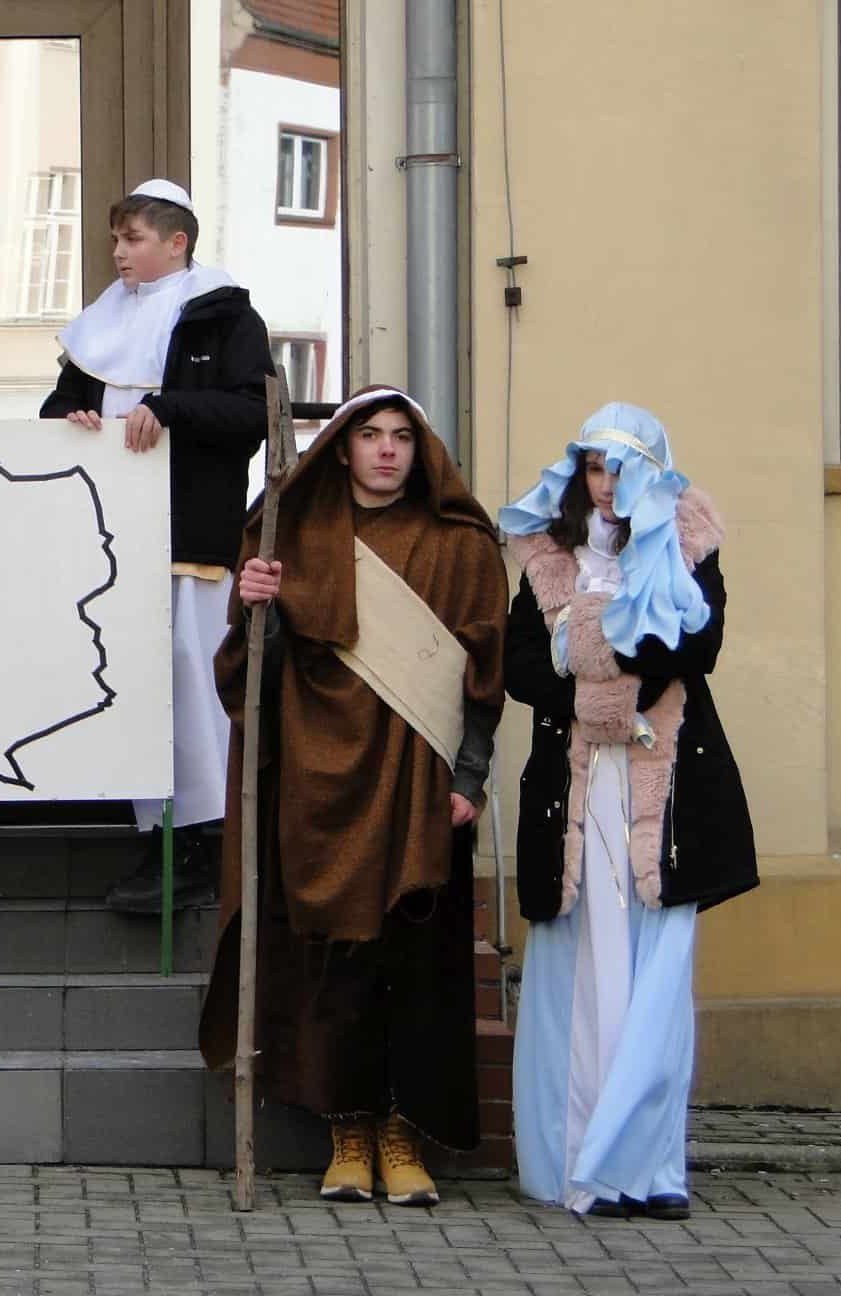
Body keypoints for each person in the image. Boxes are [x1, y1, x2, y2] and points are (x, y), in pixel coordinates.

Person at [198, 386, 508, 1206]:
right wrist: (257, 606)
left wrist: (469, 776)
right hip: (318, 785)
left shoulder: (461, 545)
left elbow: (485, 672)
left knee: (417, 963)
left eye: (401, 435)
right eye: (370, 435)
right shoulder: (292, 535)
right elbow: (252, 670)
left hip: (419, 785)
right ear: (342, 447)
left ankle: (404, 1137)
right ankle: (348, 1134)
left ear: (421, 449)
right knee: (332, 967)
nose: (387, 450)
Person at [501, 403, 757, 1221]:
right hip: (573, 794)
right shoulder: (547, 559)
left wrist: (592, 647)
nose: (607, 485)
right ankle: (577, 1162)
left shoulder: (688, 549)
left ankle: (647, 1168)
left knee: (657, 977)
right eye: (594, 468)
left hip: (666, 794)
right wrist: (593, 689)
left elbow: (694, 647)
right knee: (577, 971)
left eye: (623, 469)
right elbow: (519, 666)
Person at [40, 178, 271, 913]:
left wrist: (169, 409)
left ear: (177, 242)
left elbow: (252, 413)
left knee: (194, 687)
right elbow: (58, 405)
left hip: (191, 537)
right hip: (113, 541)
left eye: (133, 238)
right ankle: (161, 837)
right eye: (116, 239)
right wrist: (72, 417)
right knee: (137, 686)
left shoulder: (224, 316)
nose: (119, 252)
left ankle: (205, 843)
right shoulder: (102, 321)